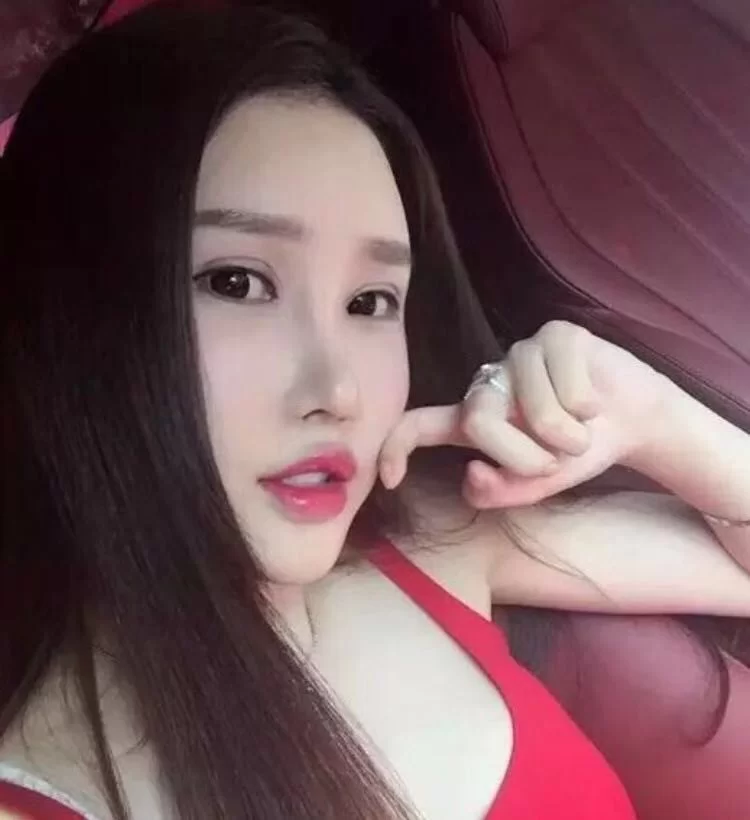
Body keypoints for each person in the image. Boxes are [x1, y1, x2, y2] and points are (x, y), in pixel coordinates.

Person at [0, 3, 748, 819]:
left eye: (370, 301)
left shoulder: (431, 538)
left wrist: (657, 419)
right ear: (70, 313)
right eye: (237, 283)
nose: (340, 391)